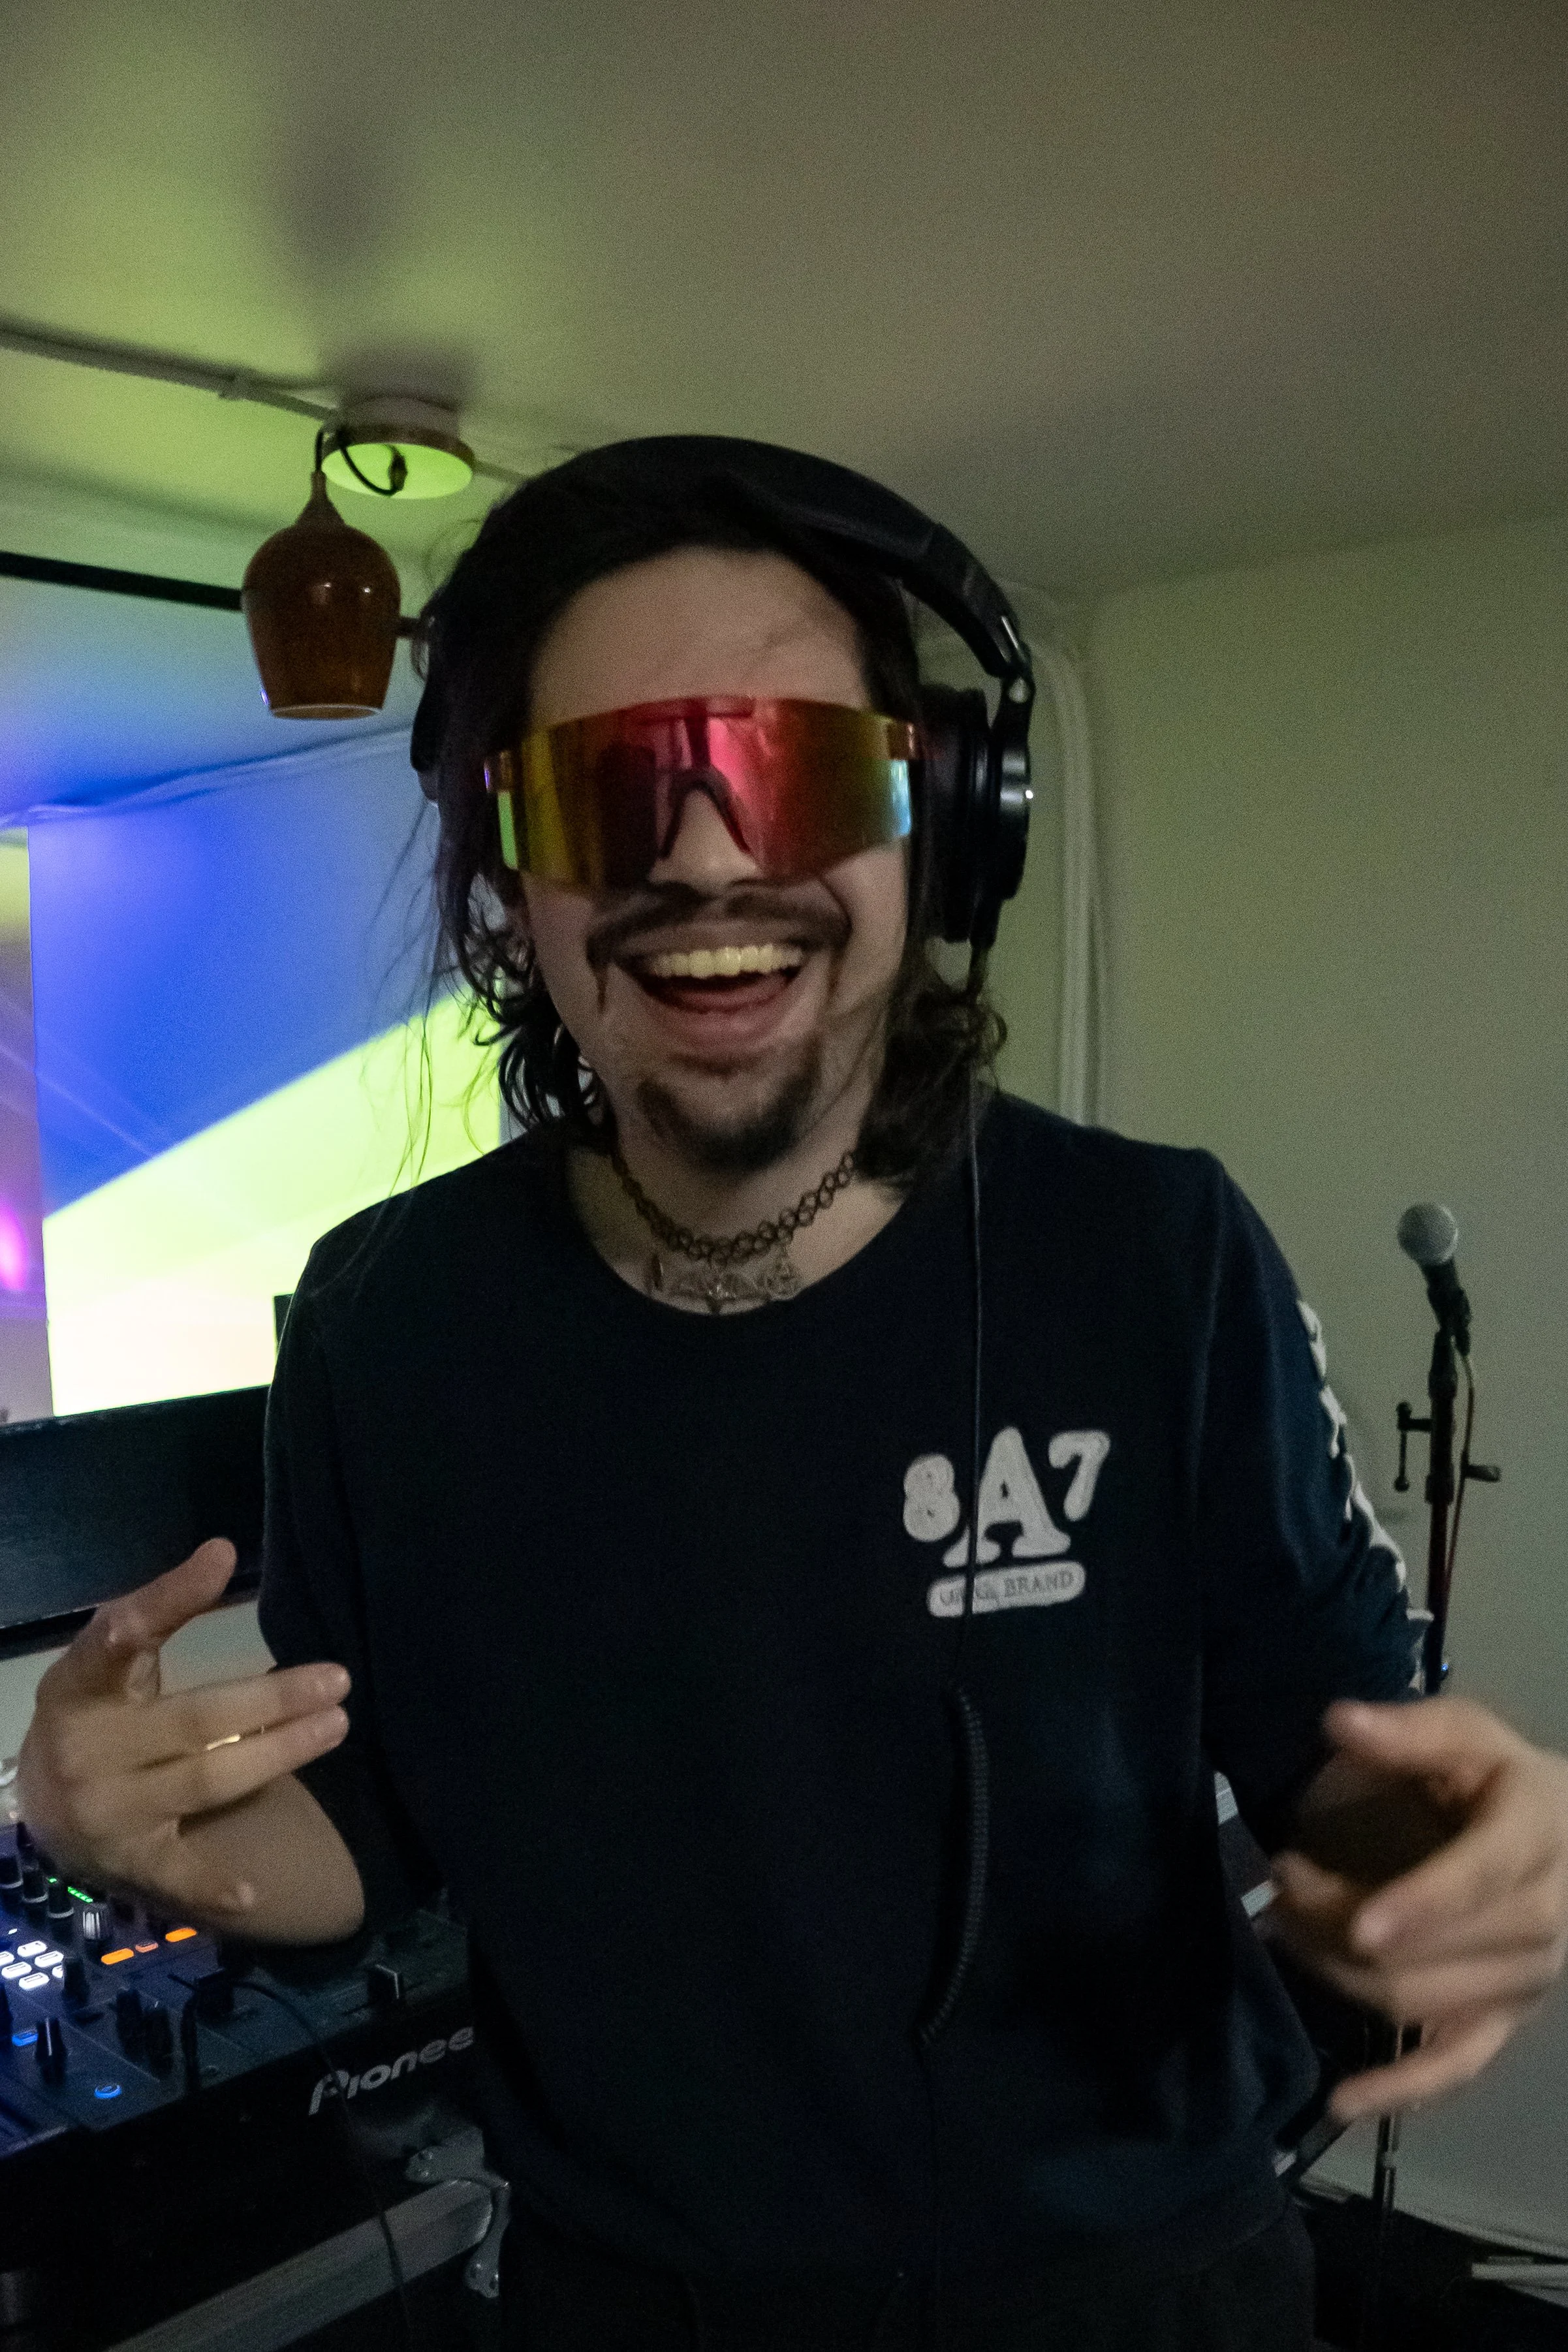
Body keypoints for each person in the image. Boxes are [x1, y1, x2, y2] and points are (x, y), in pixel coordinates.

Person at [17, 441, 1568, 2352]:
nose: (703, 859)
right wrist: (140, 1843)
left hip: (1137, 2293)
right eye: (610, 791)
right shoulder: (384, 1323)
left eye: (791, 770)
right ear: (514, 881)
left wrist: (1462, 1854)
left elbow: (1349, 1753)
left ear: (942, 820)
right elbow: (364, 1826)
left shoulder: (1156, 1259)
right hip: (629, 2312)